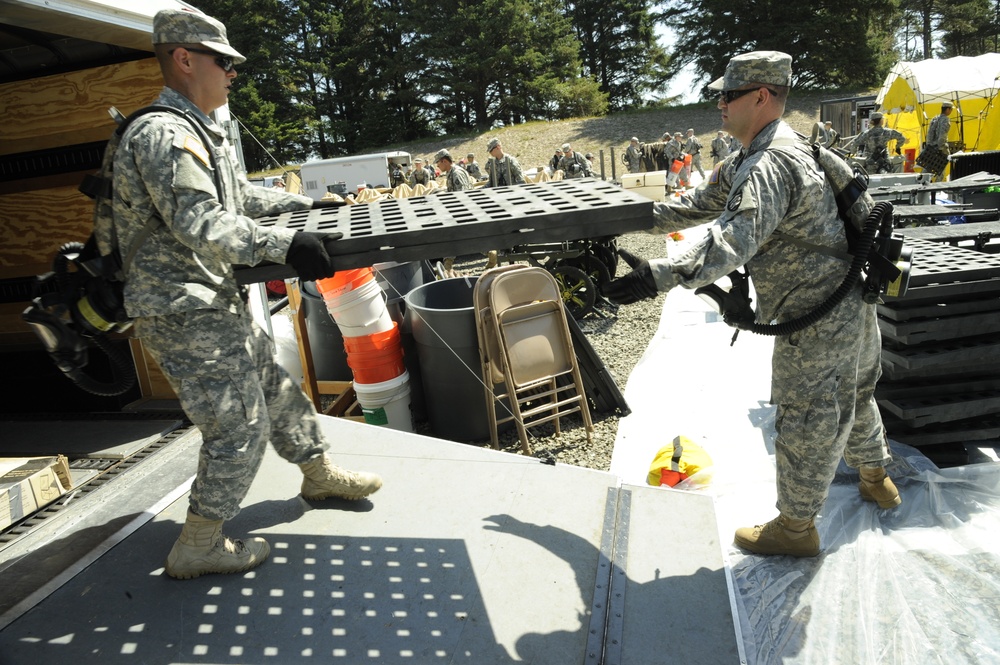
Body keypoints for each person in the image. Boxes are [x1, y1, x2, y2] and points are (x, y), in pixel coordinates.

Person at [101, 9, 383, 580]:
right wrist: (286, 245)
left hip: (207, 300)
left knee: (278, 389)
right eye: (224, 62)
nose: (232, 74)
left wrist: (303, 210)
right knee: (238, 425)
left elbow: (238, 201)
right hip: (180, 308)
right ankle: (198, 542)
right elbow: (202, 223)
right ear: (186, 59)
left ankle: (318, 473)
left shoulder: (196, 128)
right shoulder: (164, 134)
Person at [602, 50, 900, 558]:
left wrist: (659, 274)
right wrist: (620, 214)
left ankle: (797, 529)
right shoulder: (760, 152)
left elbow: (731, 239)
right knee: (853, 392)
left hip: (820, 311)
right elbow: (697, 204)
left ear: (761, 96)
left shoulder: (768, 164)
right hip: (845, 301)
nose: (719, 104)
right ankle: (876, 478)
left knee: (808, 416)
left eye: (728, 95)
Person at [922, 100, 954, 181]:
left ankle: (921, 185)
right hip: (940, 149)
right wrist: (940, 148)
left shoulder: (934, 119)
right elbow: (942, 135)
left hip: (931, 148)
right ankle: (937, 190)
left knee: (927, 169)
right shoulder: (945, 120)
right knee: (940, 172)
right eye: (951, 109)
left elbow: (929, 134)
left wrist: (929, 146)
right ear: (948, 109)